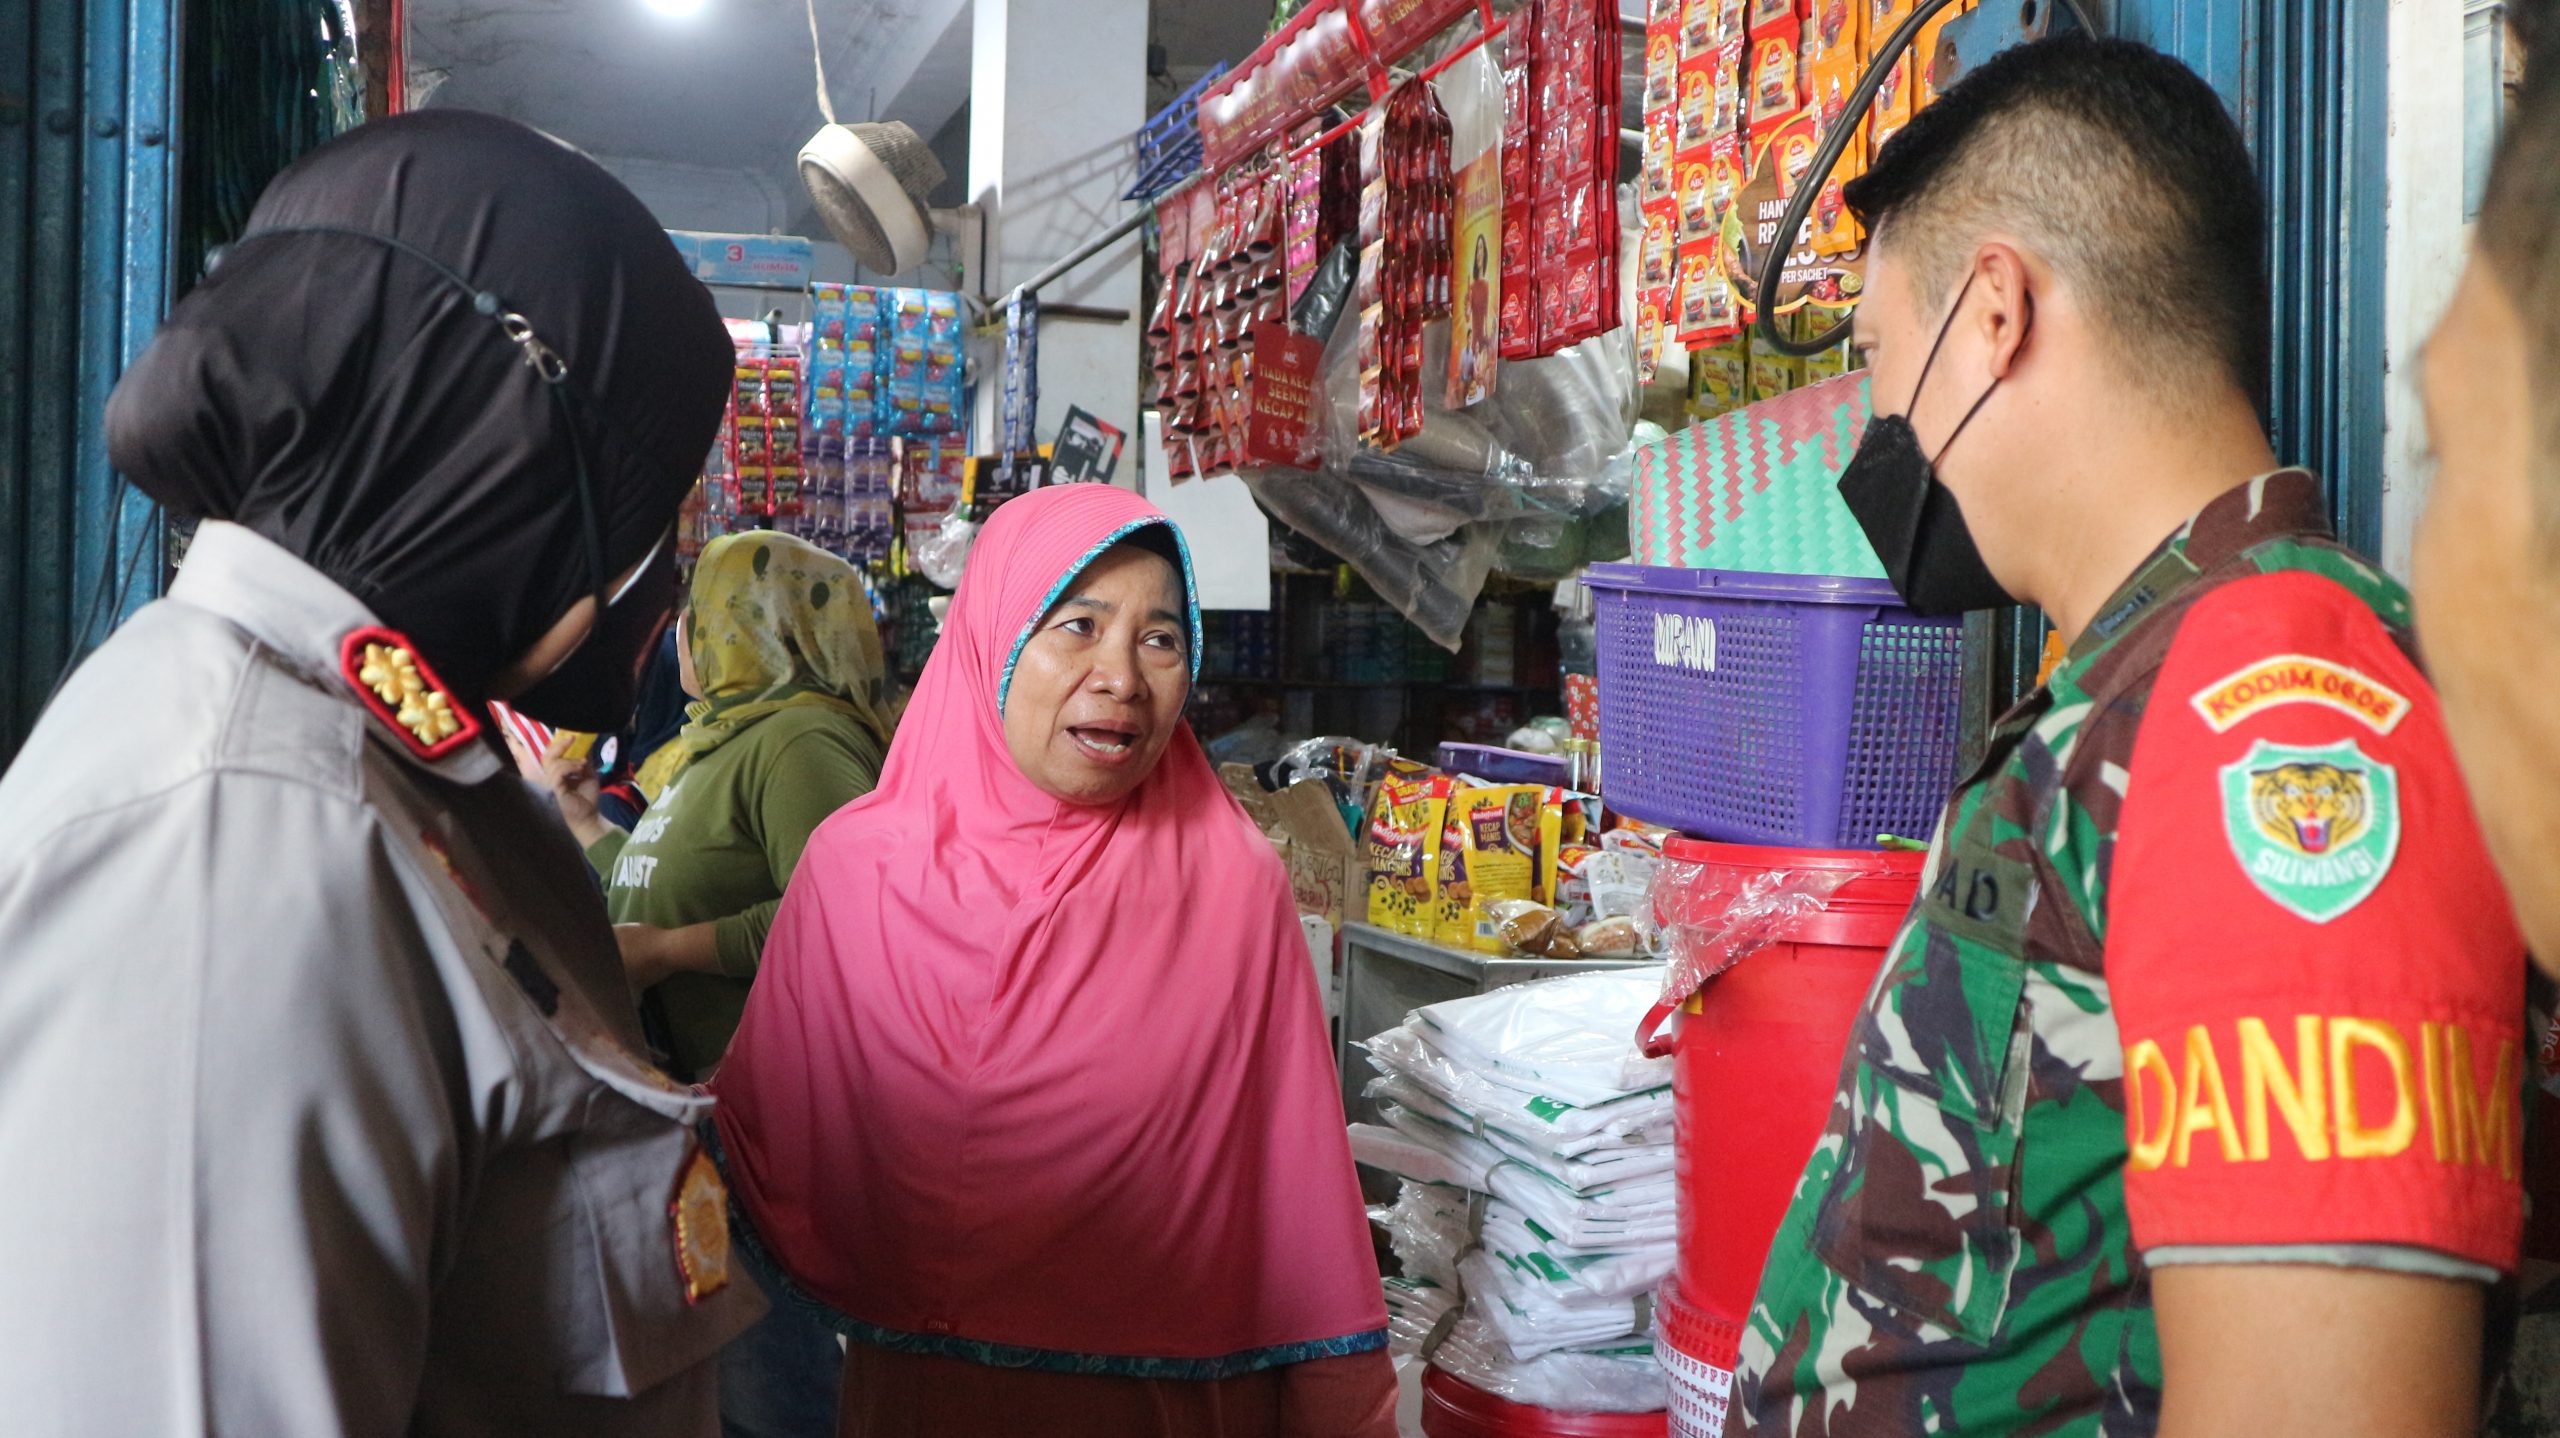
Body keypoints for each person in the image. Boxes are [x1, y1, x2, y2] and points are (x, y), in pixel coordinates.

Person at [1735, 36, 2527, 1436]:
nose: (1875, 424)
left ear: (1996, 314)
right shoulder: (2139, 674)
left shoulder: (2276, 699)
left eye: (1874, 355)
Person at [0, 111, 763, 1435]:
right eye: (644, 512)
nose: (648, 574)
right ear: (505, 454)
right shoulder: (240, 845)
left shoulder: (379, 771)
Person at [710, 484, 1395, 1438]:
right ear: (994, 635)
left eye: (1160, 638)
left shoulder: (1228, 880)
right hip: (924, 1409)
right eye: (1078, 625)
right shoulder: (857, 872)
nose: (1121, 675)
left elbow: (1294, 1182)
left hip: (1171, 1407)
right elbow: (767, 1147)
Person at [521, 529, 895, 1081]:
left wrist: (666, 951)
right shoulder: (721, 737)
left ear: (749, 628)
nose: (683, 628)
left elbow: (837, 917)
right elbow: (675, 885)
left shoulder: (800, 736)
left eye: (700, 607)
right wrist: (589, 824)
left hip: (770, 1098)